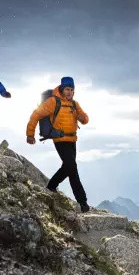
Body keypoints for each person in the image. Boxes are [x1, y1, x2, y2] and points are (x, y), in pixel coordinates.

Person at [26, 76, 90, 212]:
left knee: (69, 168)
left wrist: (82, 118)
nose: (70, 92)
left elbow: (86, 119)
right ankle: (82, 201)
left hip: (73, 140)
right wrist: (30, 134)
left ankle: (52, 185)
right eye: (67, 89)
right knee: (72, 167)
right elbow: (36, 115)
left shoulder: (74, 104)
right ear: (62, 88)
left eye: (72, 90)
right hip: (60, 140)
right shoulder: (53, 101)